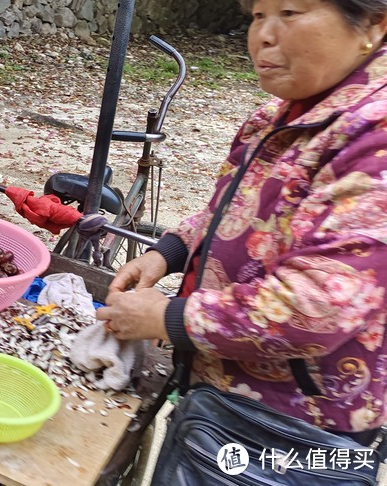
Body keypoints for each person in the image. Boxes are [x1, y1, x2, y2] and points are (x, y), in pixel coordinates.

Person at [96, 0, 387, 444]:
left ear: (373, 24)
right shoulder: (277, 117)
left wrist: (171, 317)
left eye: (291, 12)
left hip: (292, 427)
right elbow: (235, 214)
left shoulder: (375, 137)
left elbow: (318, 305)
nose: (264, 35)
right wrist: (169, 251)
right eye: (257, 15)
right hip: (218, 397)